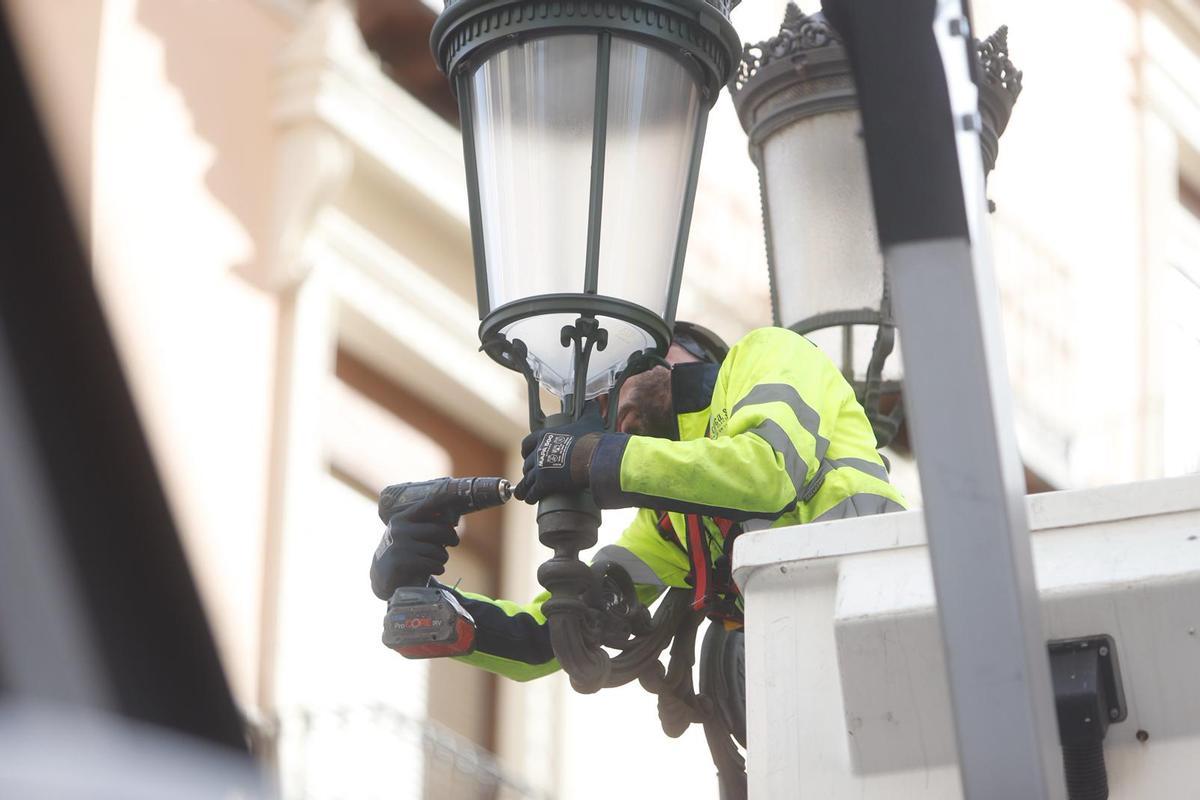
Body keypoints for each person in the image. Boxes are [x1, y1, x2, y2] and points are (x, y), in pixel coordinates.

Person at [369, 323, 907, 684]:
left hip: (890, 615)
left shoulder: (765, 354)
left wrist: (597, 460)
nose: (606, 406)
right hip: (818, 681)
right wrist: (428, 604)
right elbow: (551, 635)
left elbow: (767, 470)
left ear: (676, 354)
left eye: (615, 375)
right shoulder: (674, 524)